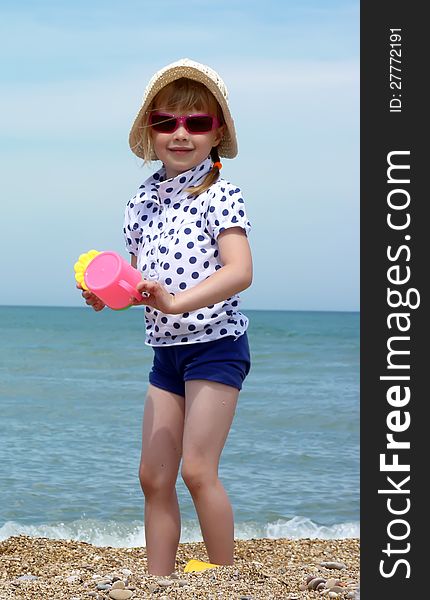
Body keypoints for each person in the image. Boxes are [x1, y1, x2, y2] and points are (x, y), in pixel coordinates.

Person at [80, 58, 253, 576]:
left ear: (215, 132)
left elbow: (240, 271)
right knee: (154, 477)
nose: (181, 134)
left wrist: (177, 302)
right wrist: (108, 293)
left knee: (198, 471)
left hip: (216, 343)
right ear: (151, 131)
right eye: (167, 123)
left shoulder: (221, 194)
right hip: (166, 353)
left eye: (196, 123)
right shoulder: (141, 202)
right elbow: (140, 284)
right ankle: (161, 580)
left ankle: (224, 577)